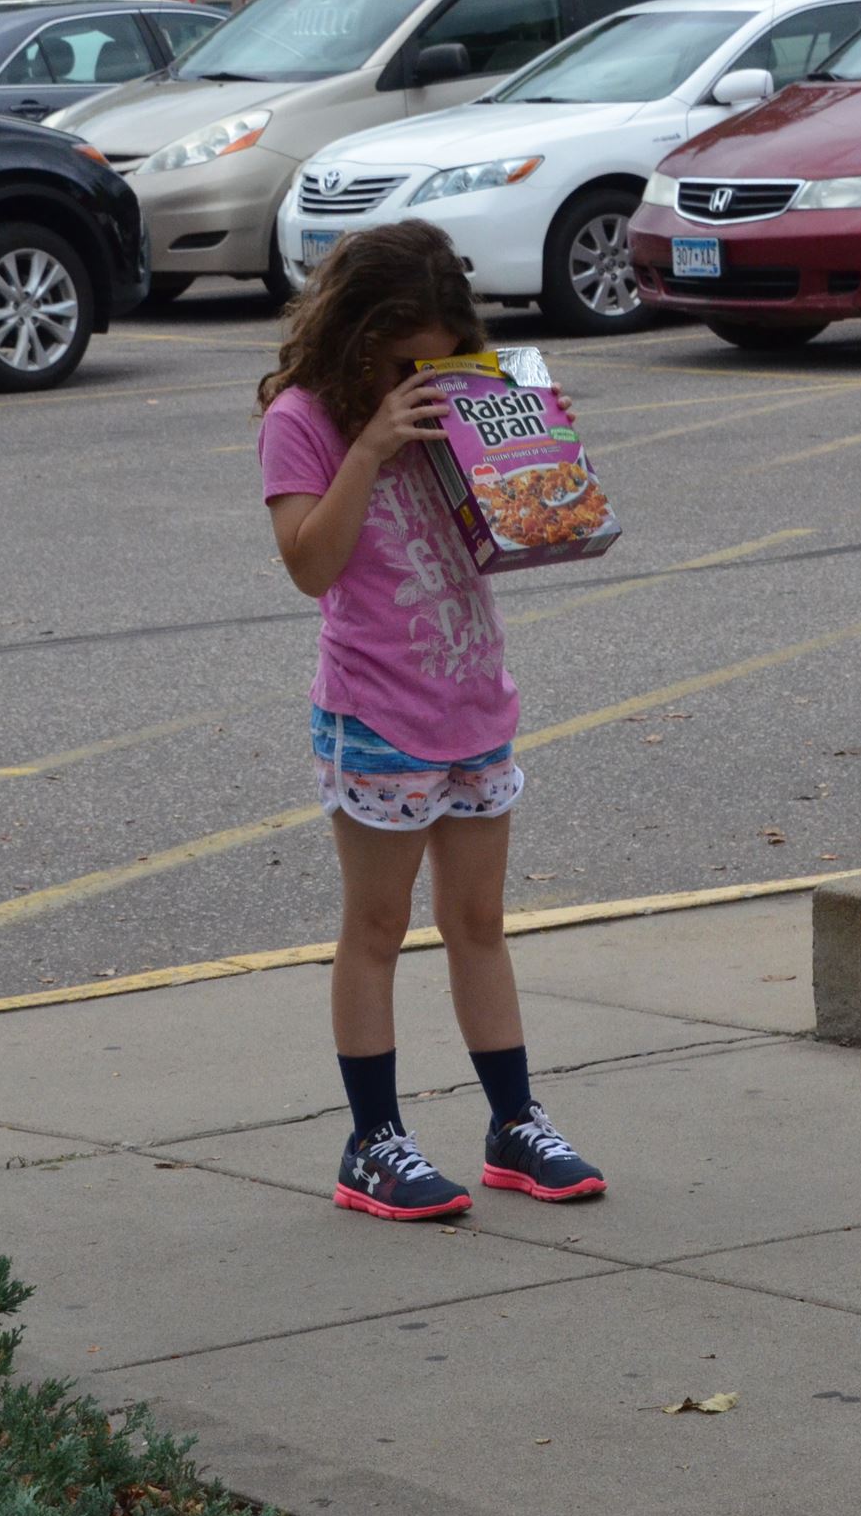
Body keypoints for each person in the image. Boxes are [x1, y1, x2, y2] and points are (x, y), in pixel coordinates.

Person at [256, 221, 607, 1221]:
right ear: (358, 338)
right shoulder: (302, 421)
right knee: (374, 929)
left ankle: (513, 1123)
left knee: (478, 924)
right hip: (376, 712)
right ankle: (372, 1142)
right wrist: (368, 446)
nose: (429, 376)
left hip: (471, 698)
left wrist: (536, 450)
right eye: (409, 361)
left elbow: (536, 535)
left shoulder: (463, 392)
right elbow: (309, 567)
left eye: (445, 356)